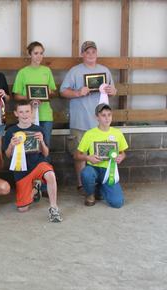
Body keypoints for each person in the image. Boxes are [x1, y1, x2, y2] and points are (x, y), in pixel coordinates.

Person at [60, 41, 117, 194]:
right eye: (87, 52)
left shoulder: (104, 70)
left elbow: (113, 90)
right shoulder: (75, 71)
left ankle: (99, 184)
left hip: (100, 124)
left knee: (101, 153)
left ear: (97, 53)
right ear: (82, 54)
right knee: (80, 155)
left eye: (93, 51)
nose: (90, 54)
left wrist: (112, 90)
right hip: (80, 121)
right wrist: (78, 93)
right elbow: (63, 91)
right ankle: (81, 185)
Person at [3, 100, 62, 222]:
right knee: (22, 209)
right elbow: (8, 155)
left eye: (27, 111)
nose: (24, 115)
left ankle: (54, 208)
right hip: (21, 170)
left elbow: (45, 153)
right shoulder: (10, 131)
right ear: (16, 113)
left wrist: (41, 142)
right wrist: (10, 145)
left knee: (50, 174)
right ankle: (35, 187)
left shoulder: (39, 130)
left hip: (38, 164)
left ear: (32, 112)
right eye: (21, 112)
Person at [74, 103, 128, 208]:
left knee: (117, 203)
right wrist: (87, 157)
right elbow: (76, 155)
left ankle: (99, 189)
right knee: (86, 173)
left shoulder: (118, 133)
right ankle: (90, 195)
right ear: (97, 117)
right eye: (103, 115)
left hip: (109, 171)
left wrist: (121, 157)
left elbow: (123, 152)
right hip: (93, 168)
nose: (107, 118)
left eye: (109, 115)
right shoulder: (89, 134)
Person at [13, 41, 56, 147]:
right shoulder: (23, 72)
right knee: (29, 145)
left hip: (45, 115)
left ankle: (45, 164)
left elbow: (53, 92)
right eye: (36, 53)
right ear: (30, 54)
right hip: (27, 116)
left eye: (41, 53)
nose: (39, 56)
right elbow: (16, 95)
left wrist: (49, 93)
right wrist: (29, 99)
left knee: (45, 145)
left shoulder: (47, 71)